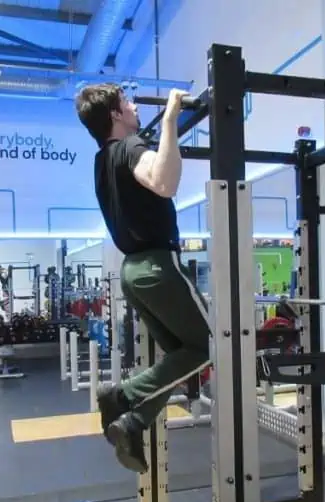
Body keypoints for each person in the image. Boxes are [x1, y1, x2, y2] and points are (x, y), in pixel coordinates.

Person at [74, 85, 211, 473]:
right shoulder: (129, 147)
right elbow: (165, 183)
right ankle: (121, 396)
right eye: (128, 103)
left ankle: (133, 423)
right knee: (210, 346)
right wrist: (169, 117)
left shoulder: (102, 161)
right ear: (116, 115)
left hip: (133, 272)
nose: (135, 107)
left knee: (181, 358)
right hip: (157, 267)